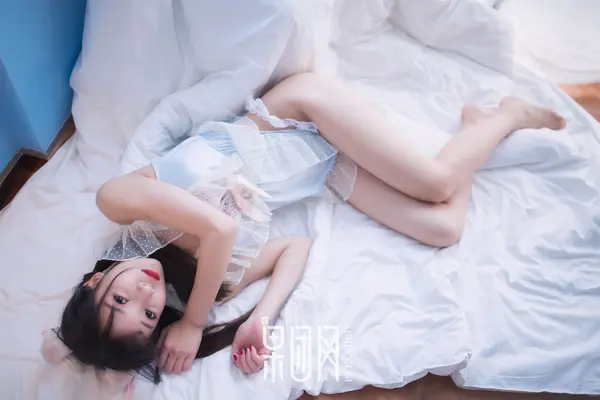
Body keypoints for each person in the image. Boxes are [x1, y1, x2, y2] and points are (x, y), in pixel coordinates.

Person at [51, 73, 566, 384]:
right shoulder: (196, 277)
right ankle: (476, 127)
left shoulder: (118, 202)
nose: (146, 293)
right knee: (444, 228)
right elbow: (292, 248)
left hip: (296, 115)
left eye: (120, 299)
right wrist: (262, 318)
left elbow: (220, 229)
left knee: (436, 183)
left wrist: (193, 323)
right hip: (322, 167)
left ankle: (508, 115)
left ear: (94, 281)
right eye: (148, 315)